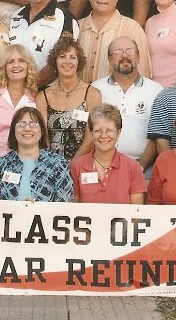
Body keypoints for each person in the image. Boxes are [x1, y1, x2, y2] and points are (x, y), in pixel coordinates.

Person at [92, 37, 164, 174]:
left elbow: (158, 135)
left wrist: (140, 166)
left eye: (130, 51)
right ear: (109, 58)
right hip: (102, 166)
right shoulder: (96, 89)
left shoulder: (156, 91)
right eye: (118, 52)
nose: (125, 56)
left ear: (138, 56)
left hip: (144, 167)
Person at [8, 0, 78, 86]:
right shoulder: (16, 17)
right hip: (17, 94)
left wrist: (29, 88)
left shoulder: (65, 18)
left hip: (48, 96)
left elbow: (58, 65)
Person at [0, 106, 73, 202]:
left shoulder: (58, 164)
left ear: (42, 131)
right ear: (14, 131)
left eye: (33, 124)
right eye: (21, 124)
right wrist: (20, 210)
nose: (27, 129)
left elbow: (64, 204)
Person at [77, 0, 151, 82]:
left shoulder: (132, 28)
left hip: (115, 98)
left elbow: (143, 74)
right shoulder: (77, 26)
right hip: (81, 97)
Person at [36, 36, 101, 160]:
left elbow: (91, 136)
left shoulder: (92, 94)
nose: (67, 62)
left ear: (79, 62)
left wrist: (73, 165)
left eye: (72, 57)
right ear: (55, 61)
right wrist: (56, 166)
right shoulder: (43, 96)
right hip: (51, 165)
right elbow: (42, 137)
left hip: (83, 164)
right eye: (62, 57)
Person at [70, 104, 145, 204]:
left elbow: (136, 213)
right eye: (98, 131)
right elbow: (73, 208)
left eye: (109, 130)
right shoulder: (77, 166)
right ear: (91, 134)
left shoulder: (133, 167)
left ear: (118, 133)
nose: (103, 136)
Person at [0, 44, 38, 162]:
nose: (16, 65)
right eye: (10, 62)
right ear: (4, 67)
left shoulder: (36, 97)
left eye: (21, 61)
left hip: (27, 160)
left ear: (28, 66)